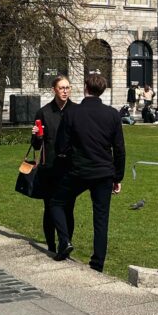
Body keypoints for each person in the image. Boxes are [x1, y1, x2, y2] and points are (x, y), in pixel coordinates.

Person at [49, 74, 126, 272]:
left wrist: (69, 155)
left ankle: (64, 240)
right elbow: (119, 149)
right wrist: (118, 177)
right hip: (103, 172)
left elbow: (61, 146)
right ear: (103, 90)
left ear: (85, 88)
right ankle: (97, 263)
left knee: (56, 202)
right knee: (101, 219)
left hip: (79, 170)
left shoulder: (73, 113)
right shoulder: (112, 114)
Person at [32, 75, 75, 253]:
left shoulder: (76, 110)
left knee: (68, 208)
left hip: (70, 168)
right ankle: (51, 245)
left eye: (67, 88)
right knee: (49, 207)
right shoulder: (44, 112)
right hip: (49, 166)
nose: (65, 91)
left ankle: (66, 243)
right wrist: (36, 135)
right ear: (54, 90)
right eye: (61, 88)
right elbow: (36, 145)